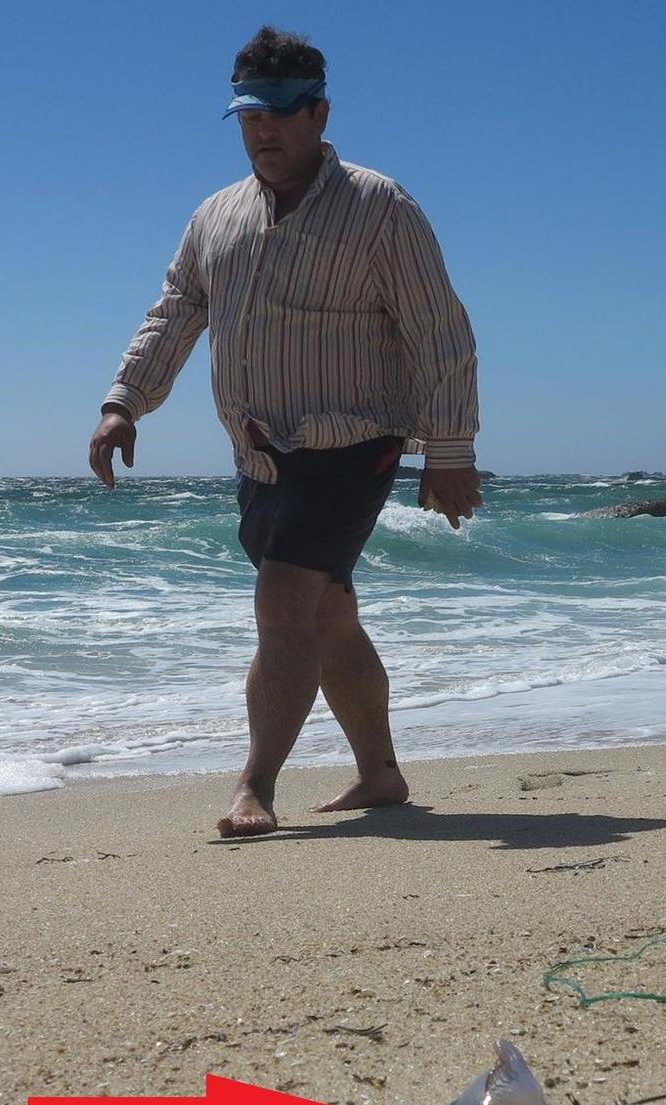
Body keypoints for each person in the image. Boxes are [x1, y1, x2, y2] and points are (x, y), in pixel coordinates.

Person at [89, 26, 480, 836]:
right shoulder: (216, 216)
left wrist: (449, 451)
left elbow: (438, 332)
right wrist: (125, 400)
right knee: (328, 617)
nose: (263, 130)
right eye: (248, 116)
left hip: (354, 441)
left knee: (283, 602)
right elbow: (177, 311)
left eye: (280, 113)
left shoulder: (380, 207)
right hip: (260, 456)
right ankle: (380, 775)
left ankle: (254, 787)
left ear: (319, 112)